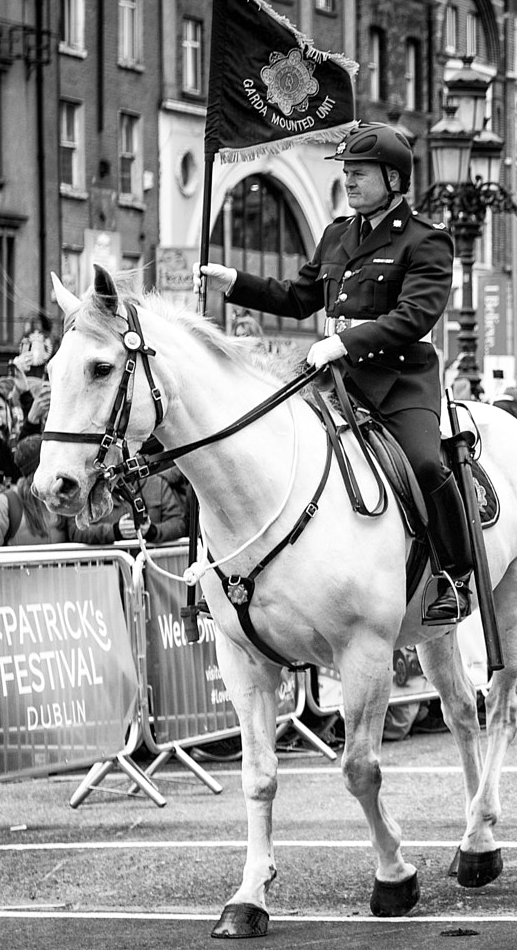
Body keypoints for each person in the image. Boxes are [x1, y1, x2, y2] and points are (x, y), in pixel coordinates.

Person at [197, 122, 476, 624]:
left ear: (393, 179)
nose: (348, 180)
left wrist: (343, 341)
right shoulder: (336, 235)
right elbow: (296, 297)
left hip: (398, 380)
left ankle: (455, 576)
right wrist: (235, 281)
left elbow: (414, 316)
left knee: (425, 463)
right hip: (333, 379)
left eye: (360, 172)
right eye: (345, 170)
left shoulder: (427, 241)